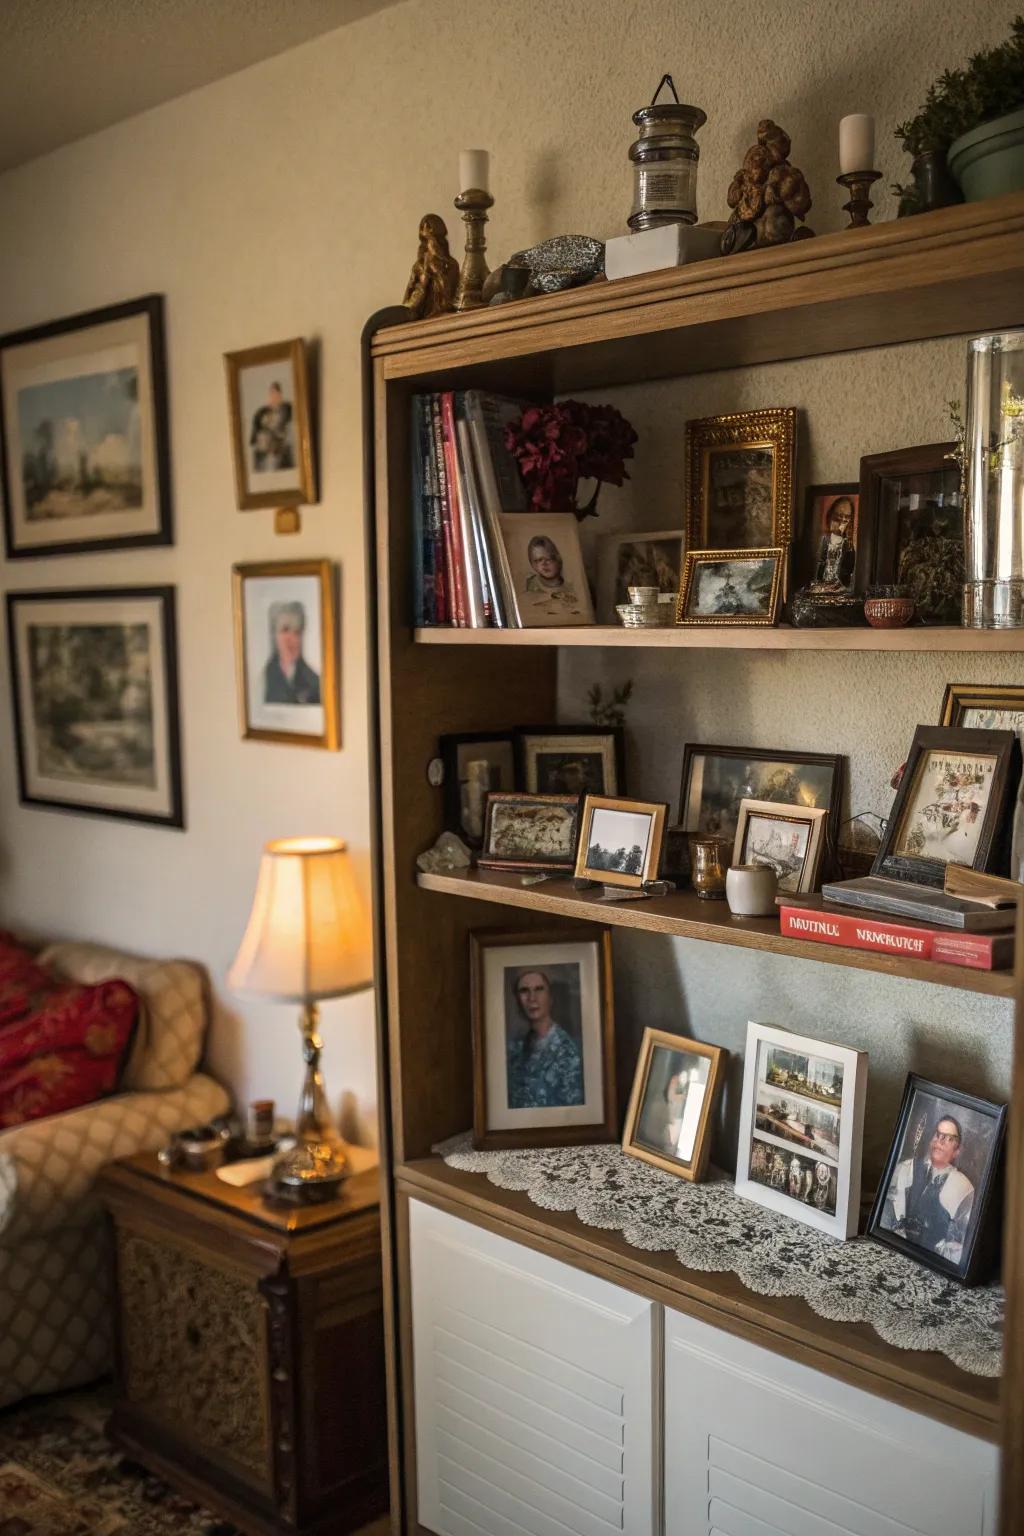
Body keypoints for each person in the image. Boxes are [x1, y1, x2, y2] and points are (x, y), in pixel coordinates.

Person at [880, 1114, 975, 1264]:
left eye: (949, 1138)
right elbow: (884, 1213)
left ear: (957, 1151)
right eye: (938, 1135)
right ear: (931, 1140)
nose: (941, 1141)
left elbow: (963, 1246)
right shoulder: (905, 1169)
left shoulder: (963, 1188)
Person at [505, 968, 583, 1109]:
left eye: (539, 989)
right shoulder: (515, 1049)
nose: (532, 998)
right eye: (524, 990)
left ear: (550, 997)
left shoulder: (567, 1051)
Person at [263, 601, 321, 705]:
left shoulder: (314, 682)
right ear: (274, 635)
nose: (292, 639)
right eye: (285, 630)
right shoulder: (262, 679)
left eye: (297, 632)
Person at [811, 495, 857, 591]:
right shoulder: (824, 540)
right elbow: (820, 562)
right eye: (838, 516)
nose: (842, 521)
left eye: (846, 518)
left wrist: (843, 587)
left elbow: (849, 570)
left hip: (838, 588)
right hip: (822, 585)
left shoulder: (848, 544)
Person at [250, 381, 294, 472]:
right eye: (271, 394)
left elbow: (284, 432)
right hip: (265, 456)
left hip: (279, 453)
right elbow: (254, 439)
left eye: (276, 394)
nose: (274, 397)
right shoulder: (261, 413)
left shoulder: (287, 409)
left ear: (280, 395)